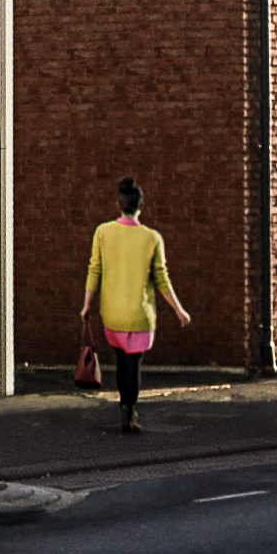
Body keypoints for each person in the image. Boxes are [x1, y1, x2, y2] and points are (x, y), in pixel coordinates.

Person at [79, 178, 190, 433]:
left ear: (119, 204)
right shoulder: (152, 238)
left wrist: (87, 305)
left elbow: (94, 270)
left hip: (112, 313)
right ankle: (130, 411)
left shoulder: (103, 232)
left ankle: (124, 407)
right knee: (134, 364)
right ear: (141, 206)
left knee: (121, 361)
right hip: (140, 315)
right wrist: (178, 310)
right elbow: (162, 279)